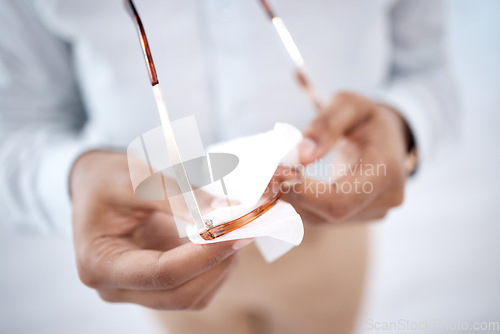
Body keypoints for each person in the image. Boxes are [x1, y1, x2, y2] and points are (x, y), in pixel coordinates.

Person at [0, 0, 457, 333]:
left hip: (328, 231)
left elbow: (427, 70)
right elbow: (22, 120)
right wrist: (74, 177)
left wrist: (404, 128)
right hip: (161, 250)